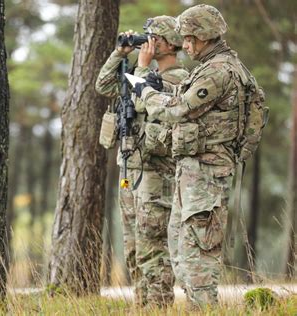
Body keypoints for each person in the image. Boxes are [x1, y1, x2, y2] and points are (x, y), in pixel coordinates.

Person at [136, 4, 258, 309]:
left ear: (204, 36)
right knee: (182, 254)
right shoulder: (215, 66)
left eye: (189, 39)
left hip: (206, 174)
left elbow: (178, 109)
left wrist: (147, 93)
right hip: (194, 172)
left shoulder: (217, 72)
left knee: (198, 262)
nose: (186, 46)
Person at [95, 16, 188, 307]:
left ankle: (158, 306)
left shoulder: (180, 79)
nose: (148, 43)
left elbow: (141, 100)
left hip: (155, 172)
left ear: (171, 44)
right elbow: (103, 85)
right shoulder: (139, 71)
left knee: (152, 244)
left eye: (155, 38)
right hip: (129, 168)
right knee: (134, 245)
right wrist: (120, 54)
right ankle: (142, 304)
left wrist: (143, 66)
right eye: (147, 37)